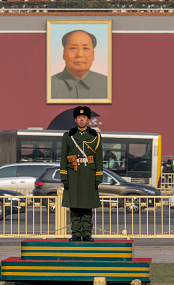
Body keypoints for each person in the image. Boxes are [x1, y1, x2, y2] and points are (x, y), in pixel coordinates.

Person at [60, 106, 103, 242]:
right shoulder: (68, 136)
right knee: (75, 206)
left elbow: (99, 158)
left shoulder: (95, 136)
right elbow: (63, 157)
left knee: (87, 206)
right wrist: (64, 175)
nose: (81, 119)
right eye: (79, 117)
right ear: (75, 119)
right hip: (73, 174)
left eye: (84, 117)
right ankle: (76, 233)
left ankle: (87, 233)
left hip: (88, 175)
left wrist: (98, 176)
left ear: (89, 119)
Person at [51, 30, 108, 99]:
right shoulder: (48, 85)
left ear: (93, 54)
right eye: (73, 48)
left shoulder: (108, 84)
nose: (79, 54)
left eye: (85, 48)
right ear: (64, 54)